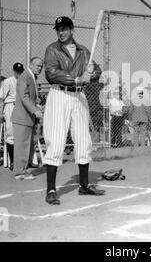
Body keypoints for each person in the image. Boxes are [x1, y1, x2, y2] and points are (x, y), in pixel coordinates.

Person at [43, 16, 105, 206]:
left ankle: (84, 185)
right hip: (60, 95)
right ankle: (51, 190)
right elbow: (51, 73)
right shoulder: (53, 49)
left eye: (64, 29)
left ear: (72, 30)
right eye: (58, 30)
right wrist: (77, 78)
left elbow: (97, 72)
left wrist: (93, 73)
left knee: (83, 140)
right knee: (56, 140)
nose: (61, 33)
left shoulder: (84, 51)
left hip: (79, 97)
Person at [11, 57, 44, 180]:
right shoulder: (25, 76)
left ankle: (22, 170)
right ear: (30, 65)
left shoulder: (31, 77)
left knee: (28, 144)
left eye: (41, 66)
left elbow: (29, 96)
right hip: (22, 117)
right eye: (37, 65)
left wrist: (37, 102)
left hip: (28, 117)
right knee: (22, 145)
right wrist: (35, 110)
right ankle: (20, 172)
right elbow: (24, 96)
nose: (40, 68)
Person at [0, 63, 24, 167]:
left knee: (22, 135)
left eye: (20, 71)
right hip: (11, 107)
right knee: (11, 134)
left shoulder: (25, 80)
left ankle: (20, 160)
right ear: (14, 71)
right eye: (17, 71)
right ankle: (12, 161)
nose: (19, 73)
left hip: (22, 107)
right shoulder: (8, 81)